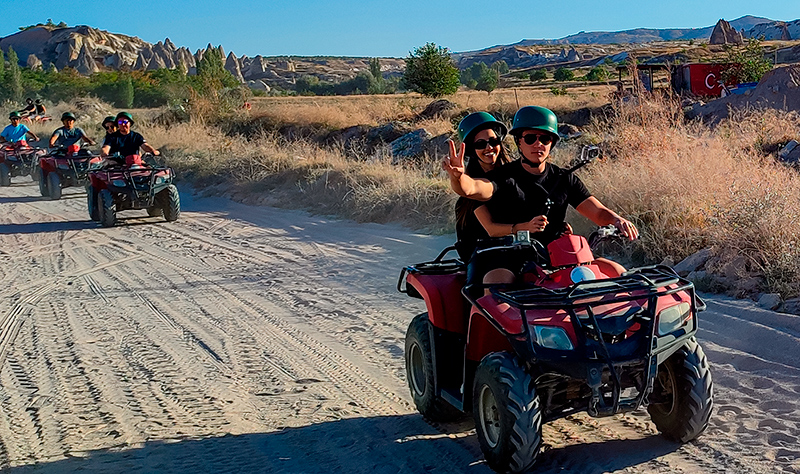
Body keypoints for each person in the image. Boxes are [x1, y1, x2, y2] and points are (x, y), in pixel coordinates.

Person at [444, 106, 638, 284]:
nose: (538, 144)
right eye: (530, 138)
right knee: (497, 283)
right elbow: (473, 188)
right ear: (519, 141)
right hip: (508, 256)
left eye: (545, 139)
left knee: (614, 270)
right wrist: (458, 177)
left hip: (554, 255)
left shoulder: (564, 178)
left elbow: (597, 212)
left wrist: (617, 220)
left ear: (552, 143)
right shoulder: (503, 178)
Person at [446, 112, 512, 261]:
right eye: (480, 144)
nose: (489, 147)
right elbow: (468, 189)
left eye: (494, 141)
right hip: (483, 258)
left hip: (515, 251)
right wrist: (458, 177)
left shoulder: (513, 175)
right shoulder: (473, 191)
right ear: (471, 150)